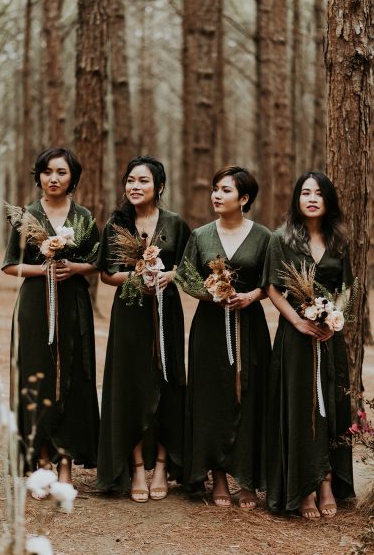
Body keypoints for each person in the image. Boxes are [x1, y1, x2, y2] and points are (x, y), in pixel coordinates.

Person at [2, 147, 100, 491]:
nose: (53, 178)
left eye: (60, 172)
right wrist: (41, 269)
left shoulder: (84, 217)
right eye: (46, 172)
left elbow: (97, 262)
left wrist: (74, 268)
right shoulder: (25, 216)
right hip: (34, 305)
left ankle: (65, 464)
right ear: (38, 176)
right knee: (38, 376)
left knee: (72, 376)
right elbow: (10, 265)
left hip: (73, 303)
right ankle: (41, 461)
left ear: (72, 177)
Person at [96, 155, 190, 502]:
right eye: (130, 180)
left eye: (143, 181)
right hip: (130, 313)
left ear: (159, 187)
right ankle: (136, 468)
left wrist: (171, 275)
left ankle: (163, 465)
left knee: (167, 381)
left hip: (168, 312)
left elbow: (188, 265)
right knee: (131, 385)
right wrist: (136, 276)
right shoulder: (116, 224)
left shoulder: (176, 224)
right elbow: (106, 274)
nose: (134, 187)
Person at [262, 171, 354, 518]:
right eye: (305, 192)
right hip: (295, 338)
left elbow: (345, 288)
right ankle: (303, 487)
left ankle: (328, 481)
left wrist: (335, 319)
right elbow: (272, 287)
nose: (312, 198)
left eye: (318, 193)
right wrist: (298, 321)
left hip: (330, 338)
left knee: (329, 405)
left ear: (328, 200)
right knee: (300, 408)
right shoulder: (282, 239)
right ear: (297, 200)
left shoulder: (338, 241)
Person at [179, 166, 271, 508]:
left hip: (250, 326)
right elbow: (186, 277)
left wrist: (252, 296)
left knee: (248, 393)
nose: (216, 195)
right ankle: (217, 476)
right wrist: (210, 293)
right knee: (211, 396)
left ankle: (246, 478)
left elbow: (271, 281)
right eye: (215, 189)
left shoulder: (264, 237)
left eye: (226, 190)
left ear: (244, 198)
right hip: (210, 328)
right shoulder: (201, 235)